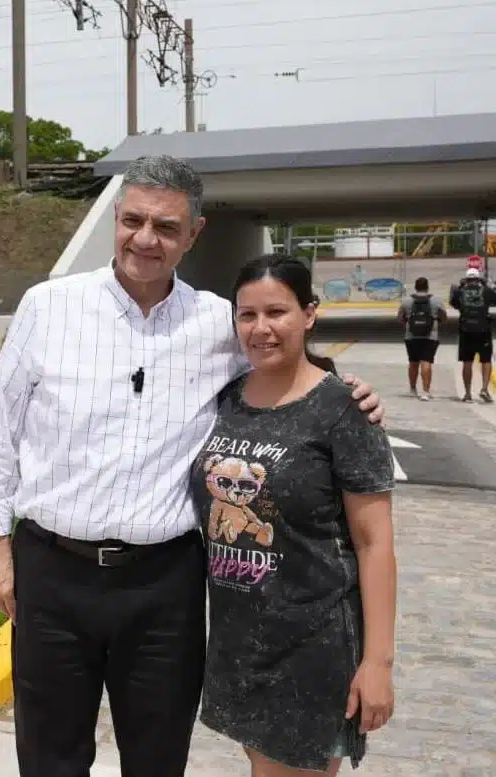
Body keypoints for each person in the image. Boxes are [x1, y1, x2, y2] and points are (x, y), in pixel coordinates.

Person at [0, 154, 384, 777]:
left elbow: (281, 364)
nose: (145, 239)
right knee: (49, 758)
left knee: (158, 759)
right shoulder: (47, 307)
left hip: (165, 586)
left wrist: (345, 388)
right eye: (133, 220)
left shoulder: (218, 322)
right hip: (52, 575)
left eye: (166, 227)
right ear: (116, 218)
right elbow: (3, 431)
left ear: (194, 233)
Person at [194, 254, 397, 776]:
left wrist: (377, 662)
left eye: (276, 312)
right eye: (247, 315)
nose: (260, 328)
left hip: (312, 648)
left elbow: (375, 543)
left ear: (309, 314)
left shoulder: (343, 410)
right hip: (238, 643)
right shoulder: (227, 400)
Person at [449, 267, 496, 403]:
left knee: (467, 362)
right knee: (486, 360)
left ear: (466, 279)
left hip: (466, 330)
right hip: (484, 330)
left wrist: (461, 287)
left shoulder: (460, 292)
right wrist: (485, 285)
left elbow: (453, 303)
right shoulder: (486, 291)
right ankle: (484, 389)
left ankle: (468, 394)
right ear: (479, 279)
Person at [397, 277, 446, 401]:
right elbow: (444, 317)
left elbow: (400, 318)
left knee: (413, 363)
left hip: (411, 336)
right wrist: (436, 323)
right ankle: (425, 391)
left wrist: (408, 325)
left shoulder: (406, 301)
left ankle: (413, 389)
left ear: (415, 287)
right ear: (427, 287)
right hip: (430, 337)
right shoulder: (436, 301)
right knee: (426, 362)